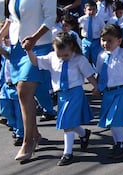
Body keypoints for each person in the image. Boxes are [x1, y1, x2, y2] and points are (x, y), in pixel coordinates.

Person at [0, 0, 58, 162]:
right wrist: (0, 36)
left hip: (38, 46)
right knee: (24, 93)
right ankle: (34, 133)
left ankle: (28, 141)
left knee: (23, 90)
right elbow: (12, 18)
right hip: (18, 49)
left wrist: (34, 38)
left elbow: (50, 19)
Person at [27, 32, 97, 166]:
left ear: (72, 48)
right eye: (60, 55)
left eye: (66, 55)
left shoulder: (79, 59)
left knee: (67, 123)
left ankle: (68, 153)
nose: (63, 58)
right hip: (62, 94)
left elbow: (89, 75)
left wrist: (96, 87)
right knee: (69, 121)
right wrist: (29, 50)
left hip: (75, 92)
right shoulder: (52, 57)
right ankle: (83, 134)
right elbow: (36, 62)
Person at [94, 23, 123, 159]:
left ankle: (120, 143)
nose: (106, 43)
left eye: (110, 40)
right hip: (108, 92)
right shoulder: (101, 56)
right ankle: (119, 141)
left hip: (121, 91)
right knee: (110, 120)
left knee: (113, 118)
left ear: (119, 41)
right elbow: (100, 73)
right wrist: (97, 87)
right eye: (103, 40)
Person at [79, 1, 106, 65]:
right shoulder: (81, 19)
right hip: (86, 40)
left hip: (96, 41)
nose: (91, 11)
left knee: (96, 58)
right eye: (89, 9)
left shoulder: (99, 20)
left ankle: (97, 72)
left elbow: (104, 29)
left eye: (94, 9)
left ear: (96, 10)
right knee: (84, 57)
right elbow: (76, 26)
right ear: (85, 10)